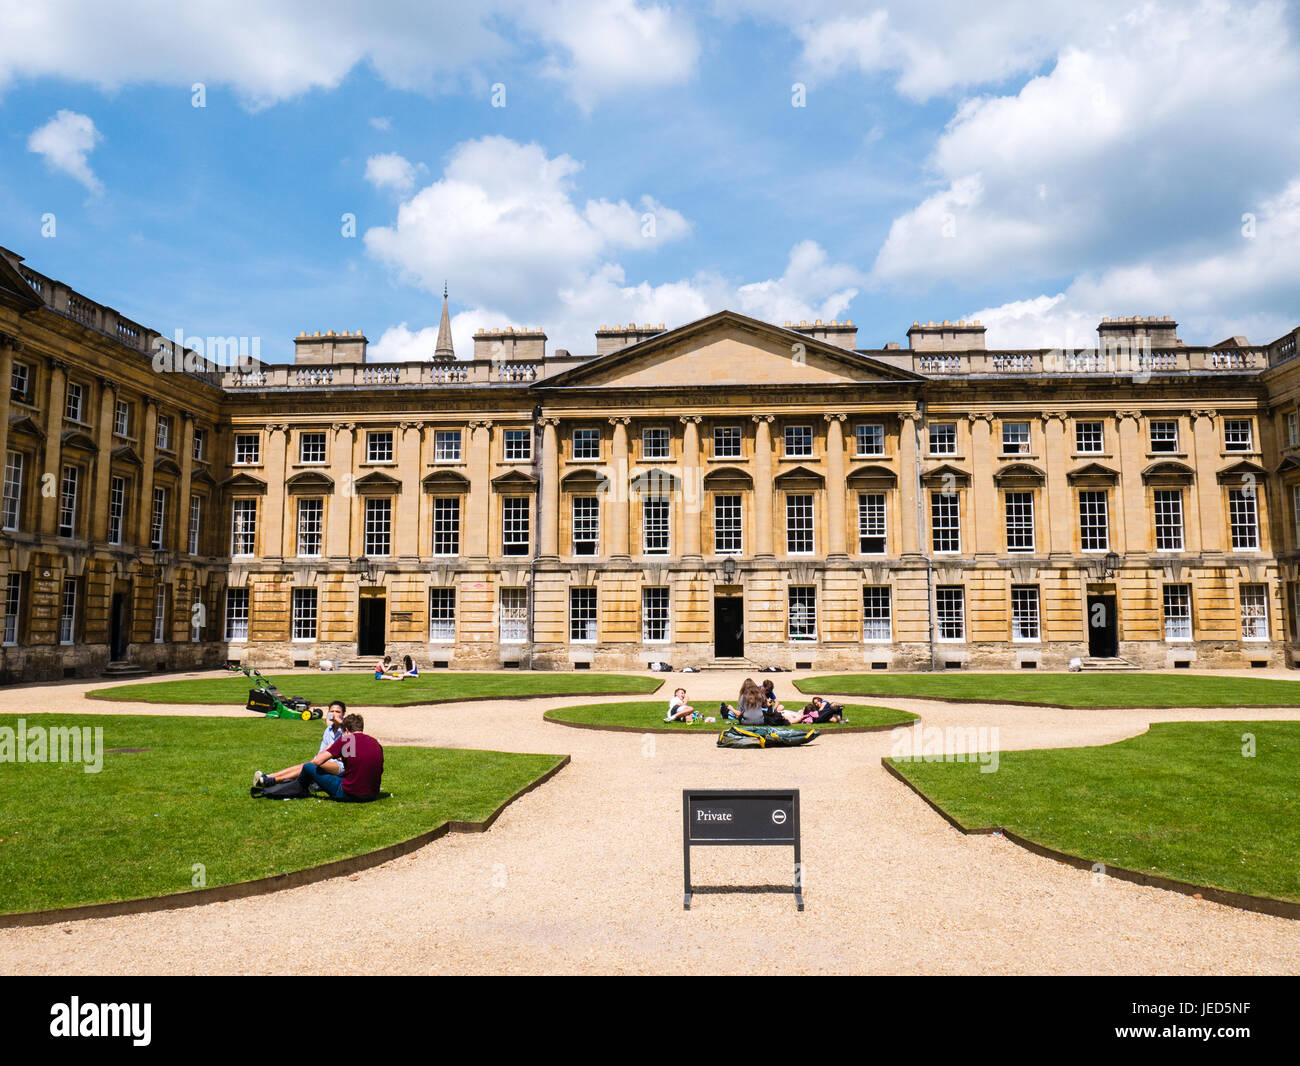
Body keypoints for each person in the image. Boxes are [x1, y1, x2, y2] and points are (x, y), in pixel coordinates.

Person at [253, 700, 347, 788]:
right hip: (324, 762)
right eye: (332, 711)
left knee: (310, 765)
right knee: (307, 765)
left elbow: (349, 755)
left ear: (343, 714)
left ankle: (272, 780)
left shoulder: (347, 730)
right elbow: (321, 752)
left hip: (341, 766)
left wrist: (342, 725)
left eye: (337, 712)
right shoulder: (328, 730)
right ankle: (270, 777)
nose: (334, 714)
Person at [299, 713, 384, 802]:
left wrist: (328, 748)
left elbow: (317, 761)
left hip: (350, 793)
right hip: (372, 794)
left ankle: (297, 788)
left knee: (308, 767)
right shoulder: (374, 742)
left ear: (346, 730)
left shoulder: (347, 739)